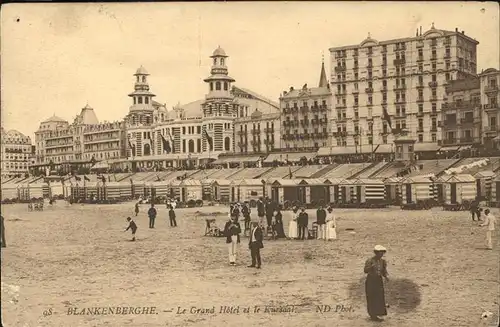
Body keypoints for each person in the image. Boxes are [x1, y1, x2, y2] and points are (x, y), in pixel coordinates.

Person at [364, 245, 389, 322]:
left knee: (379, 297)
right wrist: (371, 267)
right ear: (376, 253)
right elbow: (365, 270)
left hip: (379, 280)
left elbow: (384, 271)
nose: (381, 254)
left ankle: (378, 313)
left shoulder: (383, 261)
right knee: (372, 297)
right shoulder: (370, 260)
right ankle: (372, 315)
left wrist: (386, 276)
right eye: (380, 253)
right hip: (371, 280)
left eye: (382, 253)